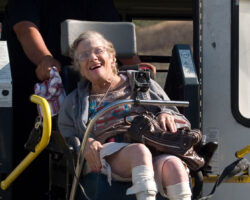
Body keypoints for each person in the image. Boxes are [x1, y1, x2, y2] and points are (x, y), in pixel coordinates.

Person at [1, 0, 140, 199]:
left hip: (93, 105)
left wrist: (139, 68)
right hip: (34, 107)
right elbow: (25, 28)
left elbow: (113, 33)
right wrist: (45, 60)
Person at [58, 31, 192, 200]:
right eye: (84, 55)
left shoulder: (143, 84)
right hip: (108, 155)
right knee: (139, 152)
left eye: (98, 51)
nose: (92, 57)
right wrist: (85, 143)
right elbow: (67, 135)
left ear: (112, 57)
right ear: (80, 67)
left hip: (152, 146)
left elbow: (172, 111)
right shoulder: (74, 101)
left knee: (174, 166)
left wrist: (166, 114)